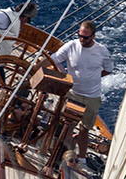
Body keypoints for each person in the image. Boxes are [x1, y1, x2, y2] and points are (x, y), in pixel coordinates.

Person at [45, 20, 112, 163]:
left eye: (86, 37)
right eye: (80, 36)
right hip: (73, 93)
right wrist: (64, 75)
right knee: (67, 125)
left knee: (85, 129)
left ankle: (82, 158)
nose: (82, 39)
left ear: (93, 36)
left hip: (92, 97)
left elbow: (108, 69)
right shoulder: (71, 46)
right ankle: (59, 153)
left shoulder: (102, 51)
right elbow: (54, 59)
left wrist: (92, 77)